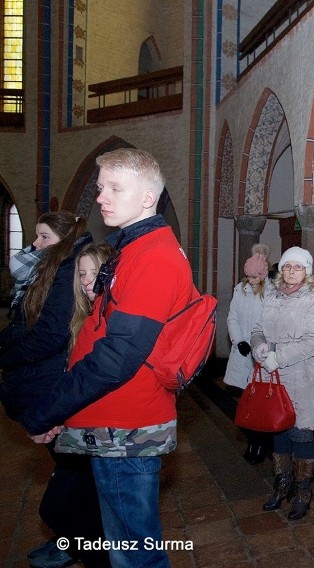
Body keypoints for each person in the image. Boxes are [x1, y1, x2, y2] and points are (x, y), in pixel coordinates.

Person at [20, 148, 197, 568]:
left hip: (126, 430)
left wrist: (49, 409)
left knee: (135, 555)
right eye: (101, 188)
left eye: (116, 188)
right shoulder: (130, 249)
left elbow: (116, 358)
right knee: (122, 545)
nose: (101, 198)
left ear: (148, 197)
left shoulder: (154, 257)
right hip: (108, 420)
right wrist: (69, 412)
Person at [0, 212, 108, 568]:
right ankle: (74, 545)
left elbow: (54, 338)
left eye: (44, 237)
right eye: (82, 275)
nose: (36, 245)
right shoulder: (73, 298)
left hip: (76, 412)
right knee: (74, 491)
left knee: (69, 499)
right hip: (67, 409)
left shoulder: (90, 304)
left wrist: (8, 356)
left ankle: (84, 548)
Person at [250, 246, 314, 520]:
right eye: (287, 266)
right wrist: (258, 347)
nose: (291, 271)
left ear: (306, 271)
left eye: (297, 267)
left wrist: (278, 357)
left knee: (302, 434)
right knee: (279, 432)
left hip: (300, 377)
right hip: (273, 378)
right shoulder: (271, 296)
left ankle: (303, 492)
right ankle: (281, 486)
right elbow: (257, 329)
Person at [224, 243, 274, 464]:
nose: (251, 281)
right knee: (247, 403)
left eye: (255, 278)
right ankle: (252, 441)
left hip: (262, 354)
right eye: (249, 277)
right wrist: (239, 340)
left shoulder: (271, 292)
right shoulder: (240, 289)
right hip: (243, 353)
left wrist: (261, 346)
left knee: (261, 403)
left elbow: (271, 324)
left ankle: (261, 443)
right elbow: (232, 317)